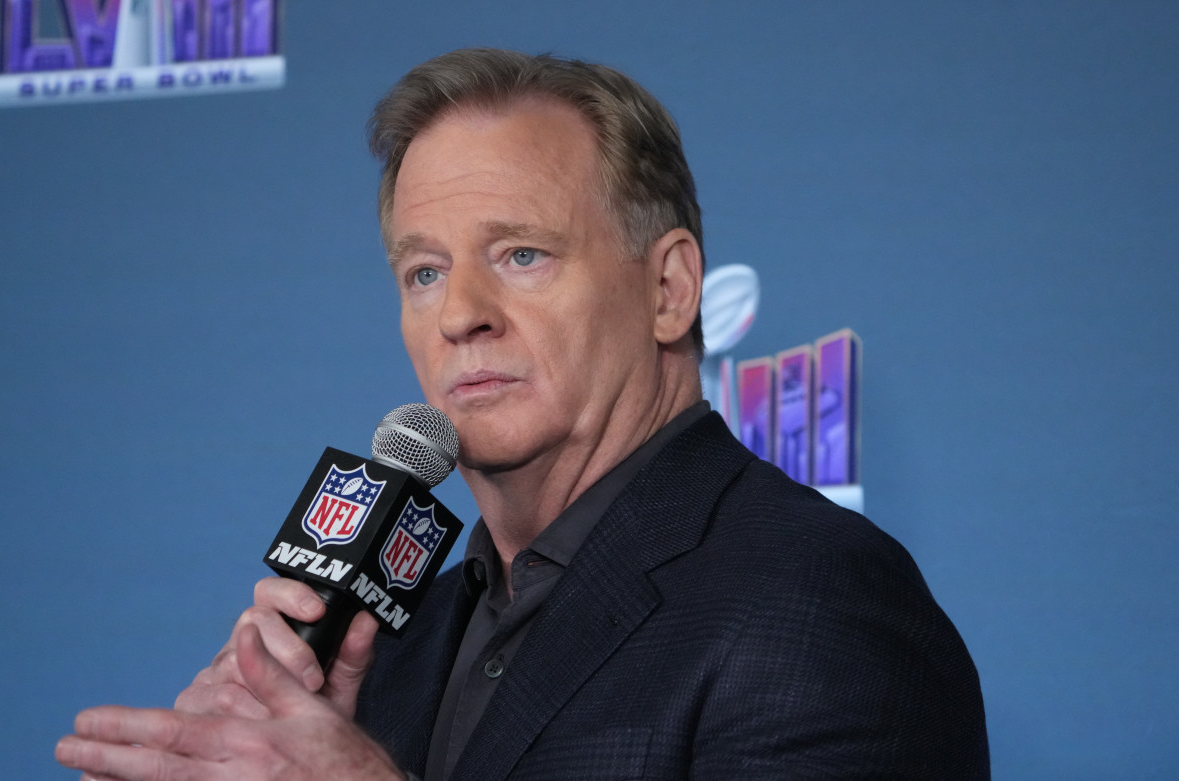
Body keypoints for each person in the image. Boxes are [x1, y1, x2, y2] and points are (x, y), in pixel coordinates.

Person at [56, 48, 989, 780]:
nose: (461, 313)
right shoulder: (386, 650)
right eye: (424, 272)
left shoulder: (818, 600)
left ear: (669, 289)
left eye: (522, 255)